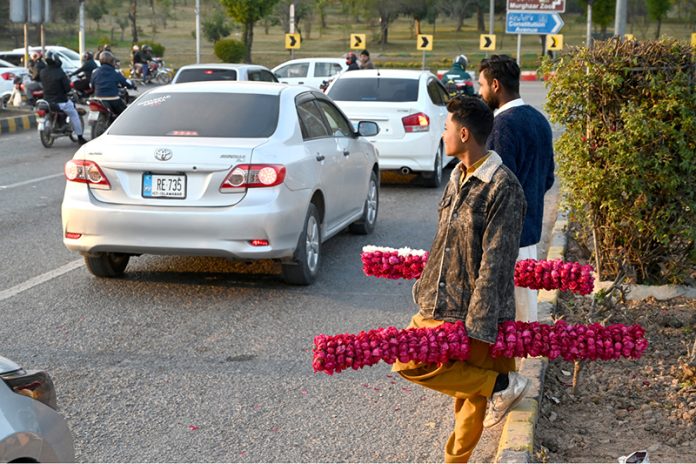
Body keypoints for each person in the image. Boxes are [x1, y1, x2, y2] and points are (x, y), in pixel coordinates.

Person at [393, 96, 530, 463]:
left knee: (468, 400)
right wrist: (425, 285)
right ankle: (501, 384)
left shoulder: (503, 187)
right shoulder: (457, 175)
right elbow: (445, 240)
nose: (443, 135)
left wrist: (478, 325)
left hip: (475, 309)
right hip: (440, 300)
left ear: (464, 133)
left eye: (446, 129)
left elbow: (497, 262)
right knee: (409, 359)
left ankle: (456, 458)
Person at [477, 54, 555, 323]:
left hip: (504, 239)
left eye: (482, 85)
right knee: (526, 315)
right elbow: (548, 179)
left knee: (504, 319)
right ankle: (523, 362)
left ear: (495, 85)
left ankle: (507, 366)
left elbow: (497, 186)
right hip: (529, 233)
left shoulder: (501, 126)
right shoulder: (539, 120)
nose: (480, 91)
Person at [39, 51, 87, 145]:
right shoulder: (60, 72)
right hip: (60, 101)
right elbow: (67, 88)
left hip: (46, 101)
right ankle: (80, 137)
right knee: (74, 114)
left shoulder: (43, 72)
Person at [91, 51, 136, 117]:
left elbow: (91, 85)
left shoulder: (95, 71)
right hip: (112, 99)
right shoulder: (115, 72)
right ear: (111, 61)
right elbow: (125, 82)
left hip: (97, 99)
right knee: (125, 115)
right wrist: (132, 85)